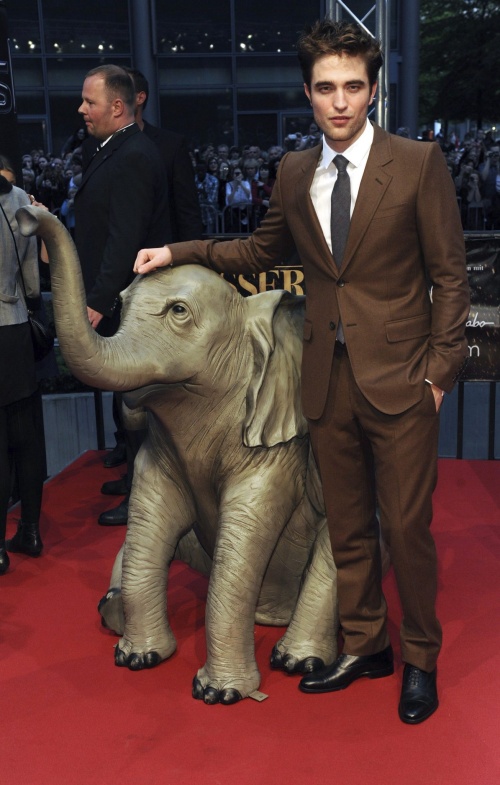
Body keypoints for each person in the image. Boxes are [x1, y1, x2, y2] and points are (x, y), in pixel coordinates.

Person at [133, 19, 470, 725]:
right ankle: (367, 644)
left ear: (372, 91)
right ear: (308, 94)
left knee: (404, 529)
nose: (339, 101)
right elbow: (258, 253)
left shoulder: (418, 163)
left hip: (402, 379)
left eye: (352, 86)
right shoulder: (293, 172)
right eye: (325, 88)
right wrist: (179, 251)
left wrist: (438, 374)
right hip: (323, 377)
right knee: (347, 526)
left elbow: (450, 277)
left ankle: (420, 658)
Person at [96, 66, 203, 526]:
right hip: (123, 285)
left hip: (160, 282)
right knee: (123, 383)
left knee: (150, 387)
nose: (85, 110)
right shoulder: (107, 147)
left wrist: (192, 272)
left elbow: (186, 215)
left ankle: (156, 483)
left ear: (135, 99)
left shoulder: (166, 146)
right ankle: (129, 462)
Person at [73, 64, 172, 516]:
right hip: (122, 297)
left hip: (130, 301)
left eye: (89, 102)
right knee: (126, 402)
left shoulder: (132, 154)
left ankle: (143, 498)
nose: (81, 109)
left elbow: (124, 238)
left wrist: (99, 299)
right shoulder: (114, 148)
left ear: (117, 106)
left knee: (136, 404)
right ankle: (134, 481)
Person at [0, 164, 46, 574]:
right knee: (25, 436)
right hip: (15, 330)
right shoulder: (19, 200)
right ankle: (30, 531)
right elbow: (32, 282)